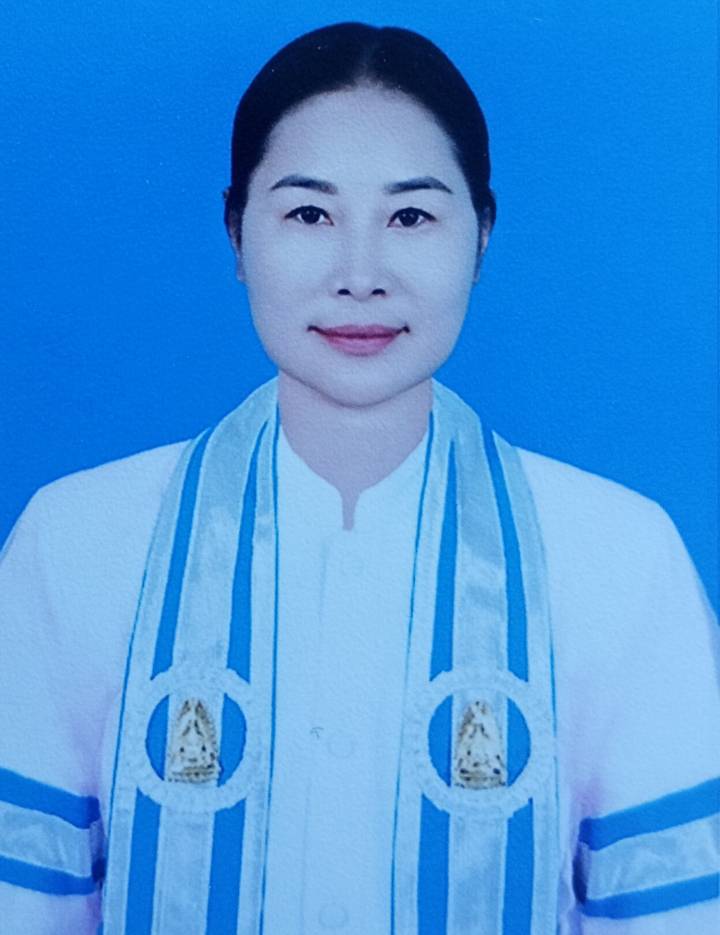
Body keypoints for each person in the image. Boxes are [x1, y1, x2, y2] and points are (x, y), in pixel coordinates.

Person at [0, 21, 717, 935]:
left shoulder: (621, 555)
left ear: (483, 234)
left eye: (411, 217)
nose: (360, 274)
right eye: (309, 215)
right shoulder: (75, 542)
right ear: (236, 232)